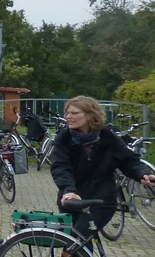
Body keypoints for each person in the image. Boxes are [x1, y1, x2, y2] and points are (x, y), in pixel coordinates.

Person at [51, 95, 155, 240]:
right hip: (72, 199)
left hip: (101, 201)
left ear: (89, 115)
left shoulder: (107, 137)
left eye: (74, 113)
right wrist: (68, 190)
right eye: (67, 113)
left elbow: (127, 160)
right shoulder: (64, 138)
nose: (69, 117)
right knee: (75, 249)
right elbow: (60, 167)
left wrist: (141, 174)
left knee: (77, 237)